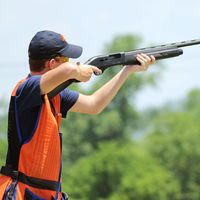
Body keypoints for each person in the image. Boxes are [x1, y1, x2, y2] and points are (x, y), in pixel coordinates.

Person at [0, 30, 155, 199]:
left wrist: (127, 70)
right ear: (52, 63)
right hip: (21, 194)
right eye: (66, 59)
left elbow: (94, 104)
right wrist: (77, 71)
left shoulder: (55, 95)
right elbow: (68, 70)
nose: (70, 62)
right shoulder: (26, 88)